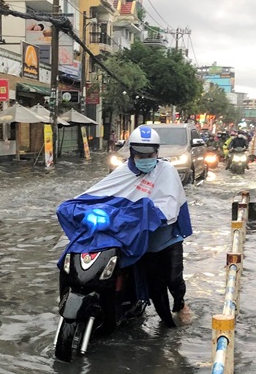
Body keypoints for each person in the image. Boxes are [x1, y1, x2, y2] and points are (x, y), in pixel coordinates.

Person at [56, 126, 193, 327]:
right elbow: (101, 194)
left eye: (150, 154)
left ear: (157, 153)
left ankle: (180, 304)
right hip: (139, 239)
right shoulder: (123, 172)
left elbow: (169, 206)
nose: (145, 158)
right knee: (156, 288)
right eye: (140, 154)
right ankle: (167, 326)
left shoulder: (167, 171)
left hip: (165, 238)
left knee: (173, 279)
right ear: (132, 153)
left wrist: (145, 212)